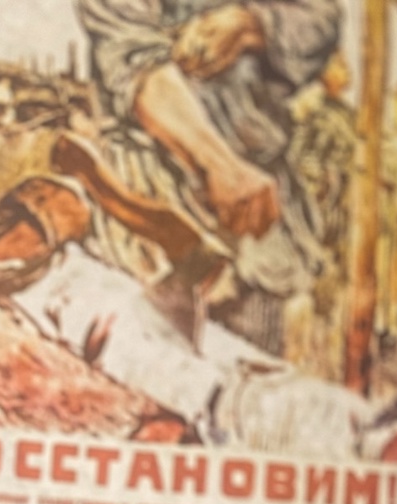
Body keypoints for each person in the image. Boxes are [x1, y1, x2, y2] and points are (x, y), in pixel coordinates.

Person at [75, 0, 343, 355]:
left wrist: (253, 25)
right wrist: (220, 165)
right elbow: (134, 60)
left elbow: (321, 20)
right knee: (143, 361)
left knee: (250, 371)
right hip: (154, 205)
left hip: (260, 215)